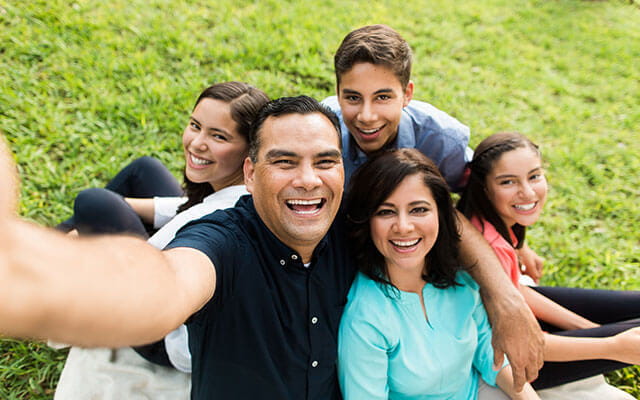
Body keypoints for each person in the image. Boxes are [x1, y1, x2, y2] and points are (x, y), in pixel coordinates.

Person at [0, 96, 540, 399]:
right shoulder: (222, 242)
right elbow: (164, 285)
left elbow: (436, 216)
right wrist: (33, 277)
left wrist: (506, 298)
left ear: (342, 173)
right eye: (284, 162)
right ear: (251, 173)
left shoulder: (350, 224)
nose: (308, 180)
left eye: (325, 162)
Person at [323, 23, 545, 386]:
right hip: (352, 260)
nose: (366, 115)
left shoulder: (441, 139)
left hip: (416, 264)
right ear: (337, 92)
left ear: (407, 93)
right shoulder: (321, 130)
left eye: (383, 97)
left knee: (520, 317)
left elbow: (477, 200)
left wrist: (516, 250)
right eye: (352, 97)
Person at [53, 81, 269, 399]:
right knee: (145, 169)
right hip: (172, 287)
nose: (197, 143)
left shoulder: (223, 219)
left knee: (95, 204)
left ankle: (35, 263)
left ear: (250, 152)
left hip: (164, 337)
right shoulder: (240, 191)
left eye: (218, 136)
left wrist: (87, 238)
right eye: (196, 126)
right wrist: (129, 207)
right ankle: (36, 248)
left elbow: (154, 279)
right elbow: (187, 207)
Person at [338, 148, 539, 400]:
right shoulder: (365, 317)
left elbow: (490, 356)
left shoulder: (461, 278)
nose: (403, 227)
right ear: (368, 221)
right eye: (385, 212)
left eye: (418, 209)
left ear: (441, 215)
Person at [457, 131, 640, 389]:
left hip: (519, 331)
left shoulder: (489, 222)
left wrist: (585, 327)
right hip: (512, 365)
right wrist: (611, 345)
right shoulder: (483, 246)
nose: (527, 192)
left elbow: (515, 293)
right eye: (508, 182)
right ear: (484, 188)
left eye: (534, 176)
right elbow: (518, 344)